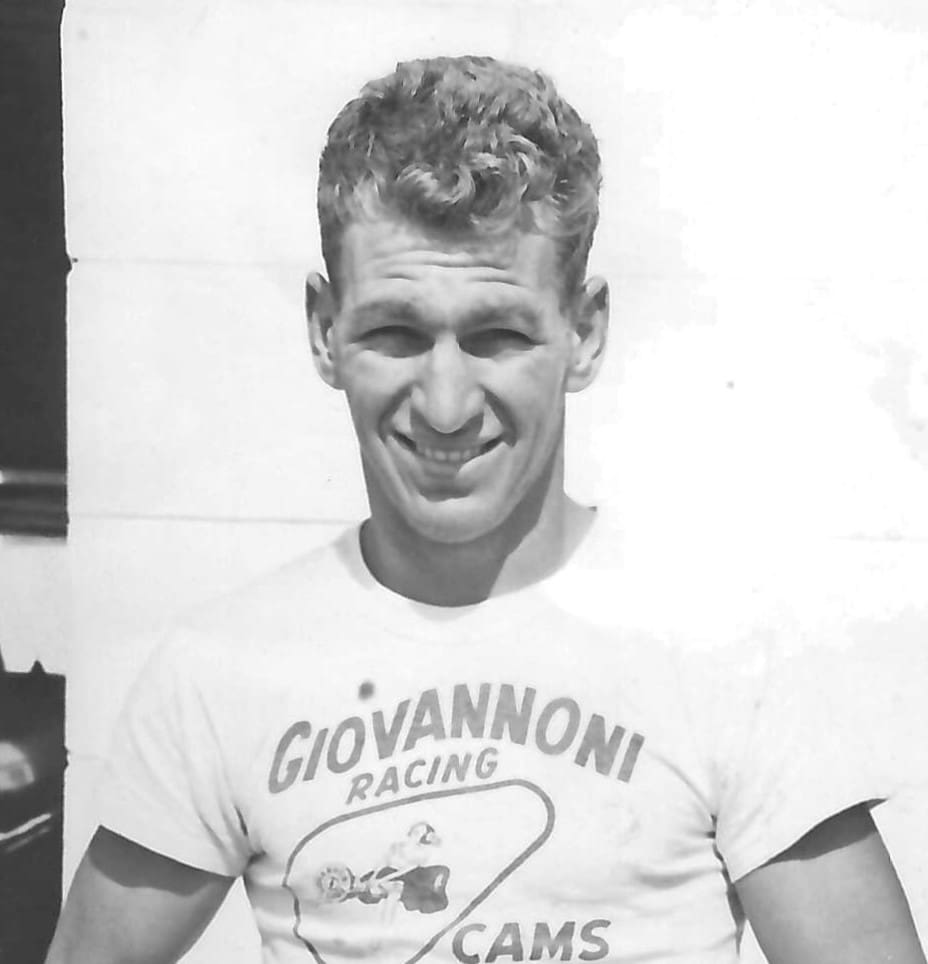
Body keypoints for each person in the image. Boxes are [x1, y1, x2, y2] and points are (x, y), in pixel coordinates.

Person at [46, 55, 925, 964]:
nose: (446, 404)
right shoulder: (219, 673)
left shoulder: (725, 655)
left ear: (583, 332)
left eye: (497, 335)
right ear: (323, 330)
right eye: (394, 333)